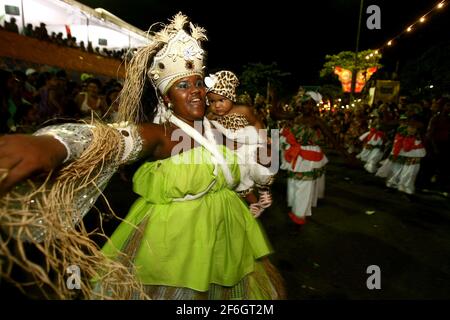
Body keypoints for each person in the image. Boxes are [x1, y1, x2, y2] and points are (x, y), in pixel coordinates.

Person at [0, 13, 284, 300]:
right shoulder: (162, 133)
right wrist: (57, 145)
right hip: (178, 242)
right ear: (166, 97)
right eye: (183, 86)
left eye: (198, 83)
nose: (196, 91)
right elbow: (117, 139)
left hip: (228, 234)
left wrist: (262, 156)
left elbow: (247, 164)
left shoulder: (216, 130)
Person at [205, 70, 273, 217]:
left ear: (231, 97)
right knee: (239, 177)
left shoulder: (243, 110)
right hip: (233, 152)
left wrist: (263, 139)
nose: (217, 105)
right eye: (212, 101)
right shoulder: (211, 117)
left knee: (258, 168)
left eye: (221, 100)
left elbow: (256, 122)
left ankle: (264, 190)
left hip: (249, 144)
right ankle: (254, 203)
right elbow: (208, 131)